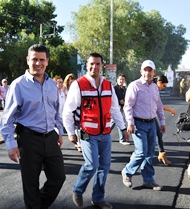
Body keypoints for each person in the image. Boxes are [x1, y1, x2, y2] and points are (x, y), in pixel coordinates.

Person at [0, 44, 65, 209]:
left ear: (47, 61)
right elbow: (7, 119)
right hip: (28, 140)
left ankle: (37, 206)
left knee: (58, 178)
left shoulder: (51, 84)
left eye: (42, 59)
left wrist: (59, 132)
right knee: (31, 186)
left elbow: (56, 111)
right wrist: (11, 145)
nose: (38, 63)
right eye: (34, 59)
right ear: (28, 60)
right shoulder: (18, 85)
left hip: (50, 137)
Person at [62, 53, 129, 209]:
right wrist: (71, 132)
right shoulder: (78, 85)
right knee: (92, 164)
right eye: (92, 63)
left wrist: (123, 127)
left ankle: (98, 198)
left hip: (105, 133)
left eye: (98, 64)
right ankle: (78, 190)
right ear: (87, 65)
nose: (94, 67)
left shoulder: (107, 85)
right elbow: (67, 111)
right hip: (86, 132)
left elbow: (114, 109)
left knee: (104, 167)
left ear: (102, 66)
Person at [121, 60, 165, 191]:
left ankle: (148, 180)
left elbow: (159, 106)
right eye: (145, 70)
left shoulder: (154, 87)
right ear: (141, 71)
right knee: (141, 152)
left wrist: (162, 121)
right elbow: (128, 106)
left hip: (152, 123)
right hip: (139, 124)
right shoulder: (135, 85)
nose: (148, 73)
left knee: (150, 153)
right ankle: (127, 172)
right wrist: (130, 122)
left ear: (154, 72)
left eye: (150, 70)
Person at [154, 75, 176, 165]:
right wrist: (170, 110)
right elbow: (159, 107)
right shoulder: (152, 89)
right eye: (164, 85)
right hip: (141, 117)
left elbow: (159, 105)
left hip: (151, 117)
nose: (163, 88)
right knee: (147, 139)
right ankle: (136, 155)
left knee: (158, 135)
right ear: (159, 82)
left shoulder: (155, 90)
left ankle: (161, 153)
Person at [111, 74, 130, 145]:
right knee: (118, 121)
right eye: (120, 79)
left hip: (122, 107)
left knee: (117, 122)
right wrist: (119, 101)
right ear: (117, 80)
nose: (121, 81)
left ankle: (104, 134)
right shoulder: (114, 88)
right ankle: (122, 139)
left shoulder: (124, 88)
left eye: (123, 79)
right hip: (115, 108)